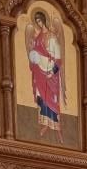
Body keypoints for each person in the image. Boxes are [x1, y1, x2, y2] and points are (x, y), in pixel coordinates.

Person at [25, 9, 65, 142]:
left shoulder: (52, 37)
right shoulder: (38, 37)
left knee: (52, 99)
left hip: (50, 73)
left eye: (40, 21)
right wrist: (32, 49)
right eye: (37, 22)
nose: (39, 24)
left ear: (44, 20)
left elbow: (58, 60)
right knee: (42, 99)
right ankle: (45, 124)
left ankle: (57, 127)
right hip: (39, 72)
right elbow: (35, 51)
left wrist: (52, 72)